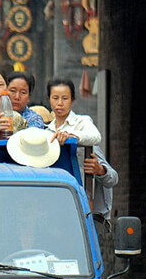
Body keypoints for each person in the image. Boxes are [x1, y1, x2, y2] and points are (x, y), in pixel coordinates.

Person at [45, 77, 118, 217]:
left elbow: (96, 137)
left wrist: (100, 170)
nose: (60, 103)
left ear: (72, 100)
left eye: (65, 98)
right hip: (56, 207)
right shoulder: (46, 131)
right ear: (49, 99)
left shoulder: (82, 123)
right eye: (55, 98)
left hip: (85, 207)